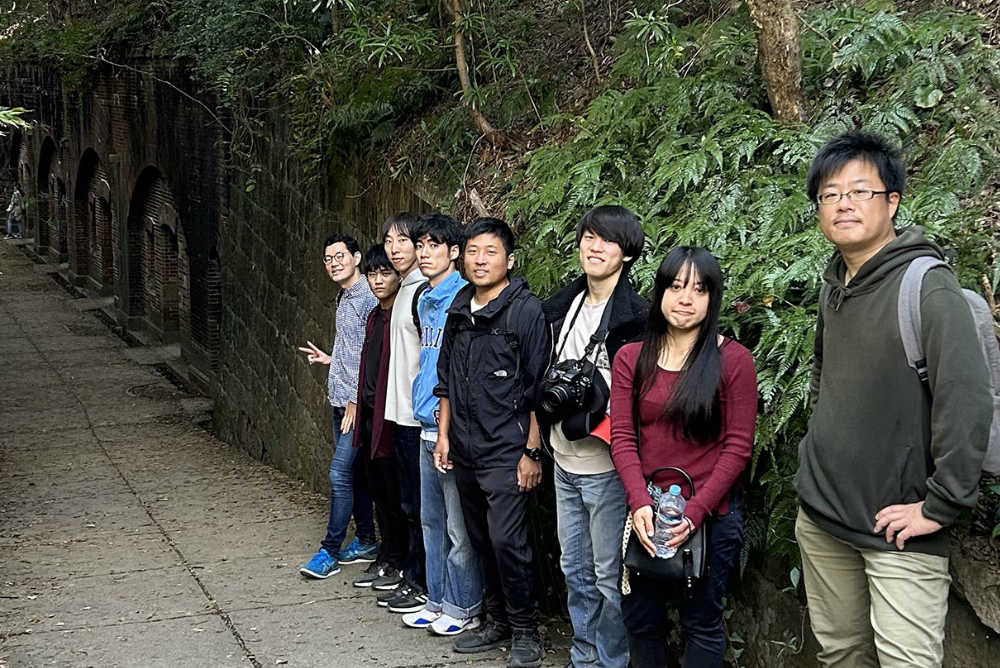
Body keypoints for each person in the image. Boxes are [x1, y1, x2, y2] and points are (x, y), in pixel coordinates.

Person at [795, 131, 992, 667]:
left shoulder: (928, 287)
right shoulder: (834, 284)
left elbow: (967, 401)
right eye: (830, 194)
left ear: (893, 201)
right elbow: (822, 374)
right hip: (823, 517)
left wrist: (941, 505)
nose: (844, 204)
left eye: (860, 190)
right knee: (841, 654)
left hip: (899, 530)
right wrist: (814, 452)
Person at [610, 246, 758, 668]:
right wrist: (640, 502)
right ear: (660, 292)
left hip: (710, 516)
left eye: (698, 289)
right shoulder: (630, 357)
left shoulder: (734, 360)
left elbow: (738, 446)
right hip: (646, 514)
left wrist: (694, 513)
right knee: (641, 621)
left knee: (702, 623)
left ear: (713, 298)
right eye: (676, 287)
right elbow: (622, 436)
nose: (686, 299)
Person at [434, 218, 550, 668]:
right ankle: (496, 620)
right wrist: (444, 437)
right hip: (464, 447)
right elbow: (445, 380)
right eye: (473, 251)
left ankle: (526, 630)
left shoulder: (525, 311)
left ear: (510, 260)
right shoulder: (459, 308)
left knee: (508, 543)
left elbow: (538, 388)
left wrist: (532, 452)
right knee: (481, 539)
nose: (480, 260)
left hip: (507, 449)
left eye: (491, 252)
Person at [540, 205, 647, 668]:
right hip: (562, 457)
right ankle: (583, 656)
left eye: (607, 240)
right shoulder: (561, 307)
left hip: (607, 467)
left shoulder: (637, 318)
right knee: (574, 569)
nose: (595, 247)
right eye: (589, 237)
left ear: (627, 253)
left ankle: (611, 660)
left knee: (608, 576)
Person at [400, 213, 484, 634]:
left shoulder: (463, 298)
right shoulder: (424, 298)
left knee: (457, 527)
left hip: (450, 429)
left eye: (434, 245)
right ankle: (436, 599)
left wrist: (449, 426)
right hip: (424, 423)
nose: (424, 253)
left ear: (454, 252)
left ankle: (464, 606)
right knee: (430, 521)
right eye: (420, 245)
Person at [297, 233, 379, 578]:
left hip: (355, 407)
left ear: (356, 258)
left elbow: (372, 356)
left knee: (338, 473)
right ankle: (367, 540)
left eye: (340, 256)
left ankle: (329, 551)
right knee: (355, 474)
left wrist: (355, 402)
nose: (334, 263)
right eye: (328, 259)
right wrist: (331, 359)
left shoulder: (367, 298)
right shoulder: (344, 296)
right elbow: (354, 350)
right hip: (340, 401)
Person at [375, 212, 429, 612]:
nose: (394, 248)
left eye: (403, 240)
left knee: (419, 507)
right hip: (399, 414)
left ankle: (420, 582)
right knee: (407, 503)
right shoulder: (406, 288)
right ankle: (412, 577)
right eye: (388, 241)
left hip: (417, 417)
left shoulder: (423, 291)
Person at [351, 245, 410, 592]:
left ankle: (398, 560)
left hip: (392, 420)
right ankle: (386, 555)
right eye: (372, 274)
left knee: (395, 495)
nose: (377, 280)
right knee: (377, 491)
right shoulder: (375, 316)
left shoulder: (400, 317)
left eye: (384, 273)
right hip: (370, 417)